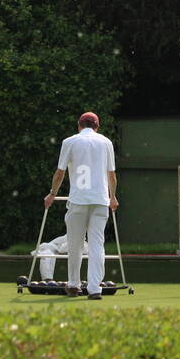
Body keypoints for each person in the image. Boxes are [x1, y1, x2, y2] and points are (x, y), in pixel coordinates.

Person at [44, 112, 118, 300]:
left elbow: (60, 173)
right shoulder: (106, 142)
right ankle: (94, 288)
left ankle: (74, 284)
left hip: (78, 200)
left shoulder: (69, 142)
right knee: (96, 245)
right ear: (97, 126)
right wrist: (113, 197)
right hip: (100, 200)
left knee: (75, 244)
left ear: (79, 125)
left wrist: (52, 194)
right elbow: (111, 175)